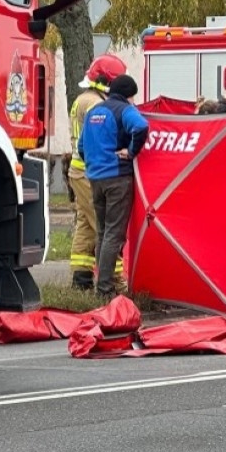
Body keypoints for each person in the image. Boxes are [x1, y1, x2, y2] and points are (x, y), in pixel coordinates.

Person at [78, 75, 150, 297]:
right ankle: (105, 289)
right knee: (113, 234)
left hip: (95, 178)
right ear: (128, 94)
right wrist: (130, 151)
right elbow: (141, 126)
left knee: (102, 232)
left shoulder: (93, 112)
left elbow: (81, 146)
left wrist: (94, 163)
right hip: (117, 178)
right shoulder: (124, 110)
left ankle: (102, 284)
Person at [67, 55, 128, 292]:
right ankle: (113, 281)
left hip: (79, 171)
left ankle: (81, 279)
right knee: (106, 227)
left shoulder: (84, 99)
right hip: (90, 173)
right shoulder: (95, 104)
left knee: (86, 224)